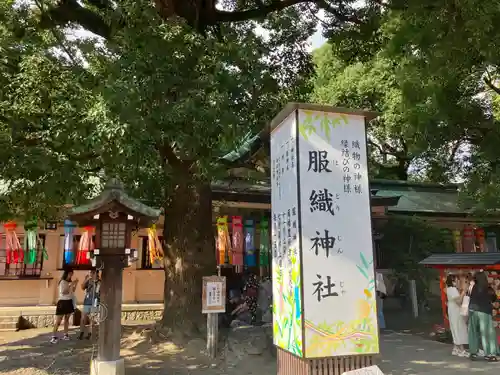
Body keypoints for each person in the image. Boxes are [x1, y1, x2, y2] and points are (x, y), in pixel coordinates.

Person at [468, 271, 498, 361]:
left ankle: (473, 353)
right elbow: (494, 298)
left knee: (473, 332)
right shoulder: (487, 288)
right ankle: (489, 354)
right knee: (487, 333)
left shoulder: (473, 287)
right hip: (484, 311)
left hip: (472, 310)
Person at [51, 270, 78, 344]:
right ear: (66, 274)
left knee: (67, 319)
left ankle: (65, 335)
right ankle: (54, 336)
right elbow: (64, 292)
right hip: (62, 302)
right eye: (70, 274)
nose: (71, 276)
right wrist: (71, 284)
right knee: (59, 320)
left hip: (69, 301)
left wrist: (75, 284)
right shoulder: (62, 282)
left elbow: (72, 291)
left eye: (72, 274)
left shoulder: (69, 282)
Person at [445, 274, 468, 356]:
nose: (458, 281)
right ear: (453, 281)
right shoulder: (452, 289)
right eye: (457, 280)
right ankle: (461, 349)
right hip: (455, 310)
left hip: (453, 309)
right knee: (458, 327)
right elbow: (458, 301)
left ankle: (456, 348)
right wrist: (463, 292)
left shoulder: (450, 289)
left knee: (455, 327)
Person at [79, 270, 100, 340]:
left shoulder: (100, 282)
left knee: (92, 318)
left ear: (96, 273)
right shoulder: (89, 281)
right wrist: (86, 279)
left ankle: (90, 333)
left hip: (95, 302)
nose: (91, 274)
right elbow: (82, 287)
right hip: (87, 301)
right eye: (91, 272)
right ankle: (81, 332)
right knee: (83, 318)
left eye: (92, 273)